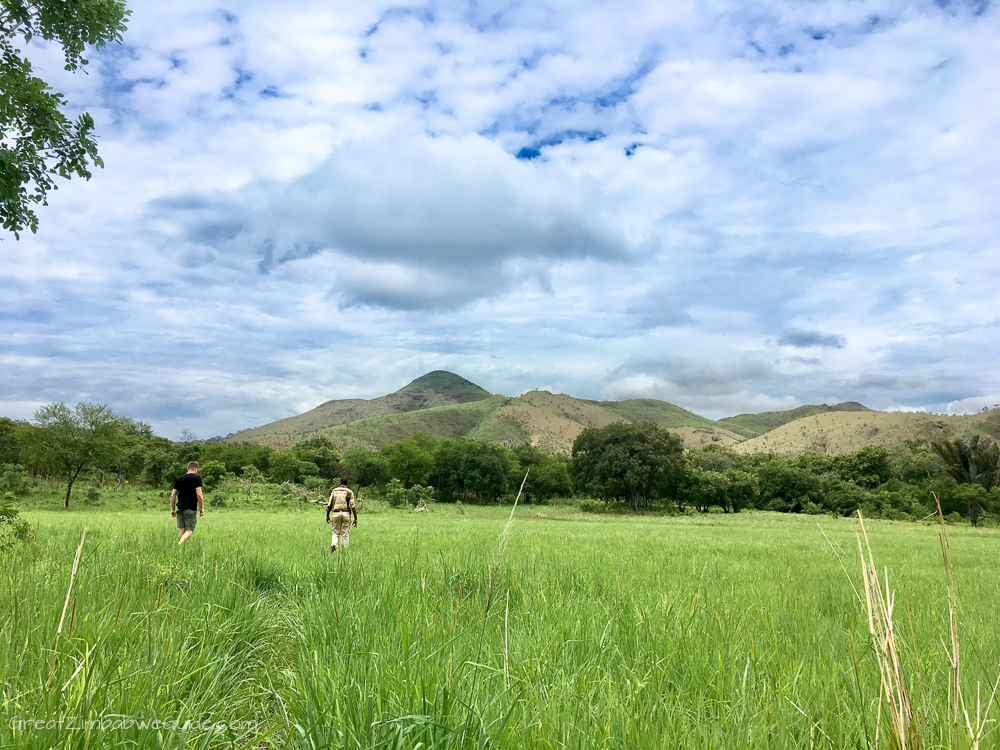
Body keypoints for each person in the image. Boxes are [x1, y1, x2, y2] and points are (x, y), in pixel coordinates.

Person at [170, 461, 204, 546]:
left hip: (179, 508)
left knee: (182, 529)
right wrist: (202, 507)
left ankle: (179, 550)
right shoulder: (197, 478)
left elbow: (173, 495)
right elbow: (199, 494)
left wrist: (173, 509)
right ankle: (180, 544)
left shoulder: (179, 479)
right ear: (195, 469)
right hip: (190, 508)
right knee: (189, 530)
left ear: (188, 468)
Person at [326, 478, 357, 552]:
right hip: (346, 513)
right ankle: (343, 549)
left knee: (335, 532)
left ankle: (334, 544)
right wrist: (355, 518)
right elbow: (353, 506)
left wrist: (327, 515)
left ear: (340, 482)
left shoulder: (334, 491)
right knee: (345, 533)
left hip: (336, 513)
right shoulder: (349, 492)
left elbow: (329, 505)